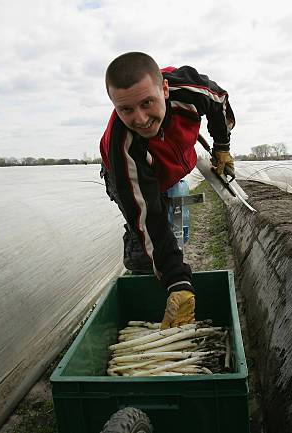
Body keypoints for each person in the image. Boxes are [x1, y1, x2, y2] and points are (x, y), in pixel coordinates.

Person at [99, 52, 235, 329]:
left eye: (147, 103)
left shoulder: (188, 88)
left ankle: (170, 261)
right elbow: (148, 217)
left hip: (170, 167)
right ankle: (144, 285)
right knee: (145, 239)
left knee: (176, 224)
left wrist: (221, 146)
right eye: (125, 110)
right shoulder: (122, 148)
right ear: (114, 105)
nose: (140, 119)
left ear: (164, 89)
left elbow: (219, 100)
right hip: (131, 176)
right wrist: (178, 281)